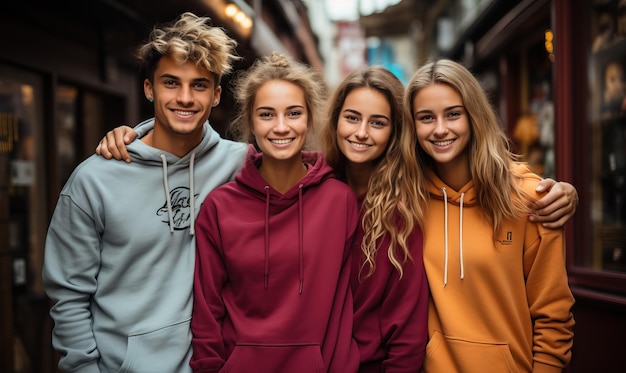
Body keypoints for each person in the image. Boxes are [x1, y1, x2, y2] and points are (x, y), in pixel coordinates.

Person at [42, 12, 247, 372]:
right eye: (171, 83)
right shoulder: (95, 180)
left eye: (199, 85)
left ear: (216, 96)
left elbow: (311, 174)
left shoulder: (242, 166)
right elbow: (69, 297)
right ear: (149, 88)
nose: (185, 98)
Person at [190, 52, 360, 372]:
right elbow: (207, 313)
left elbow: (346, 307)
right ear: (251, 123)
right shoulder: (219, 207)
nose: (281, 127)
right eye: (266, 115)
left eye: (293, 113)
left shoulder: (340, 201)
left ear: (309, 119)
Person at [403, 59, 575, 372]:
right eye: (426, 117)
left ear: (474, 115)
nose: (440, 129)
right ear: (412, 126)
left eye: (453, 114)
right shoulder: (408, 199)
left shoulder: (528, 197)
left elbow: (554, 316)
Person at [320, 66, 429, 371]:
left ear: (395, 131)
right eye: (352, 117)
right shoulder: (313, 189)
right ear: (336, 119)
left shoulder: (401, 212)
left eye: (377, 123)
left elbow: (408, 332)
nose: (361, 133)